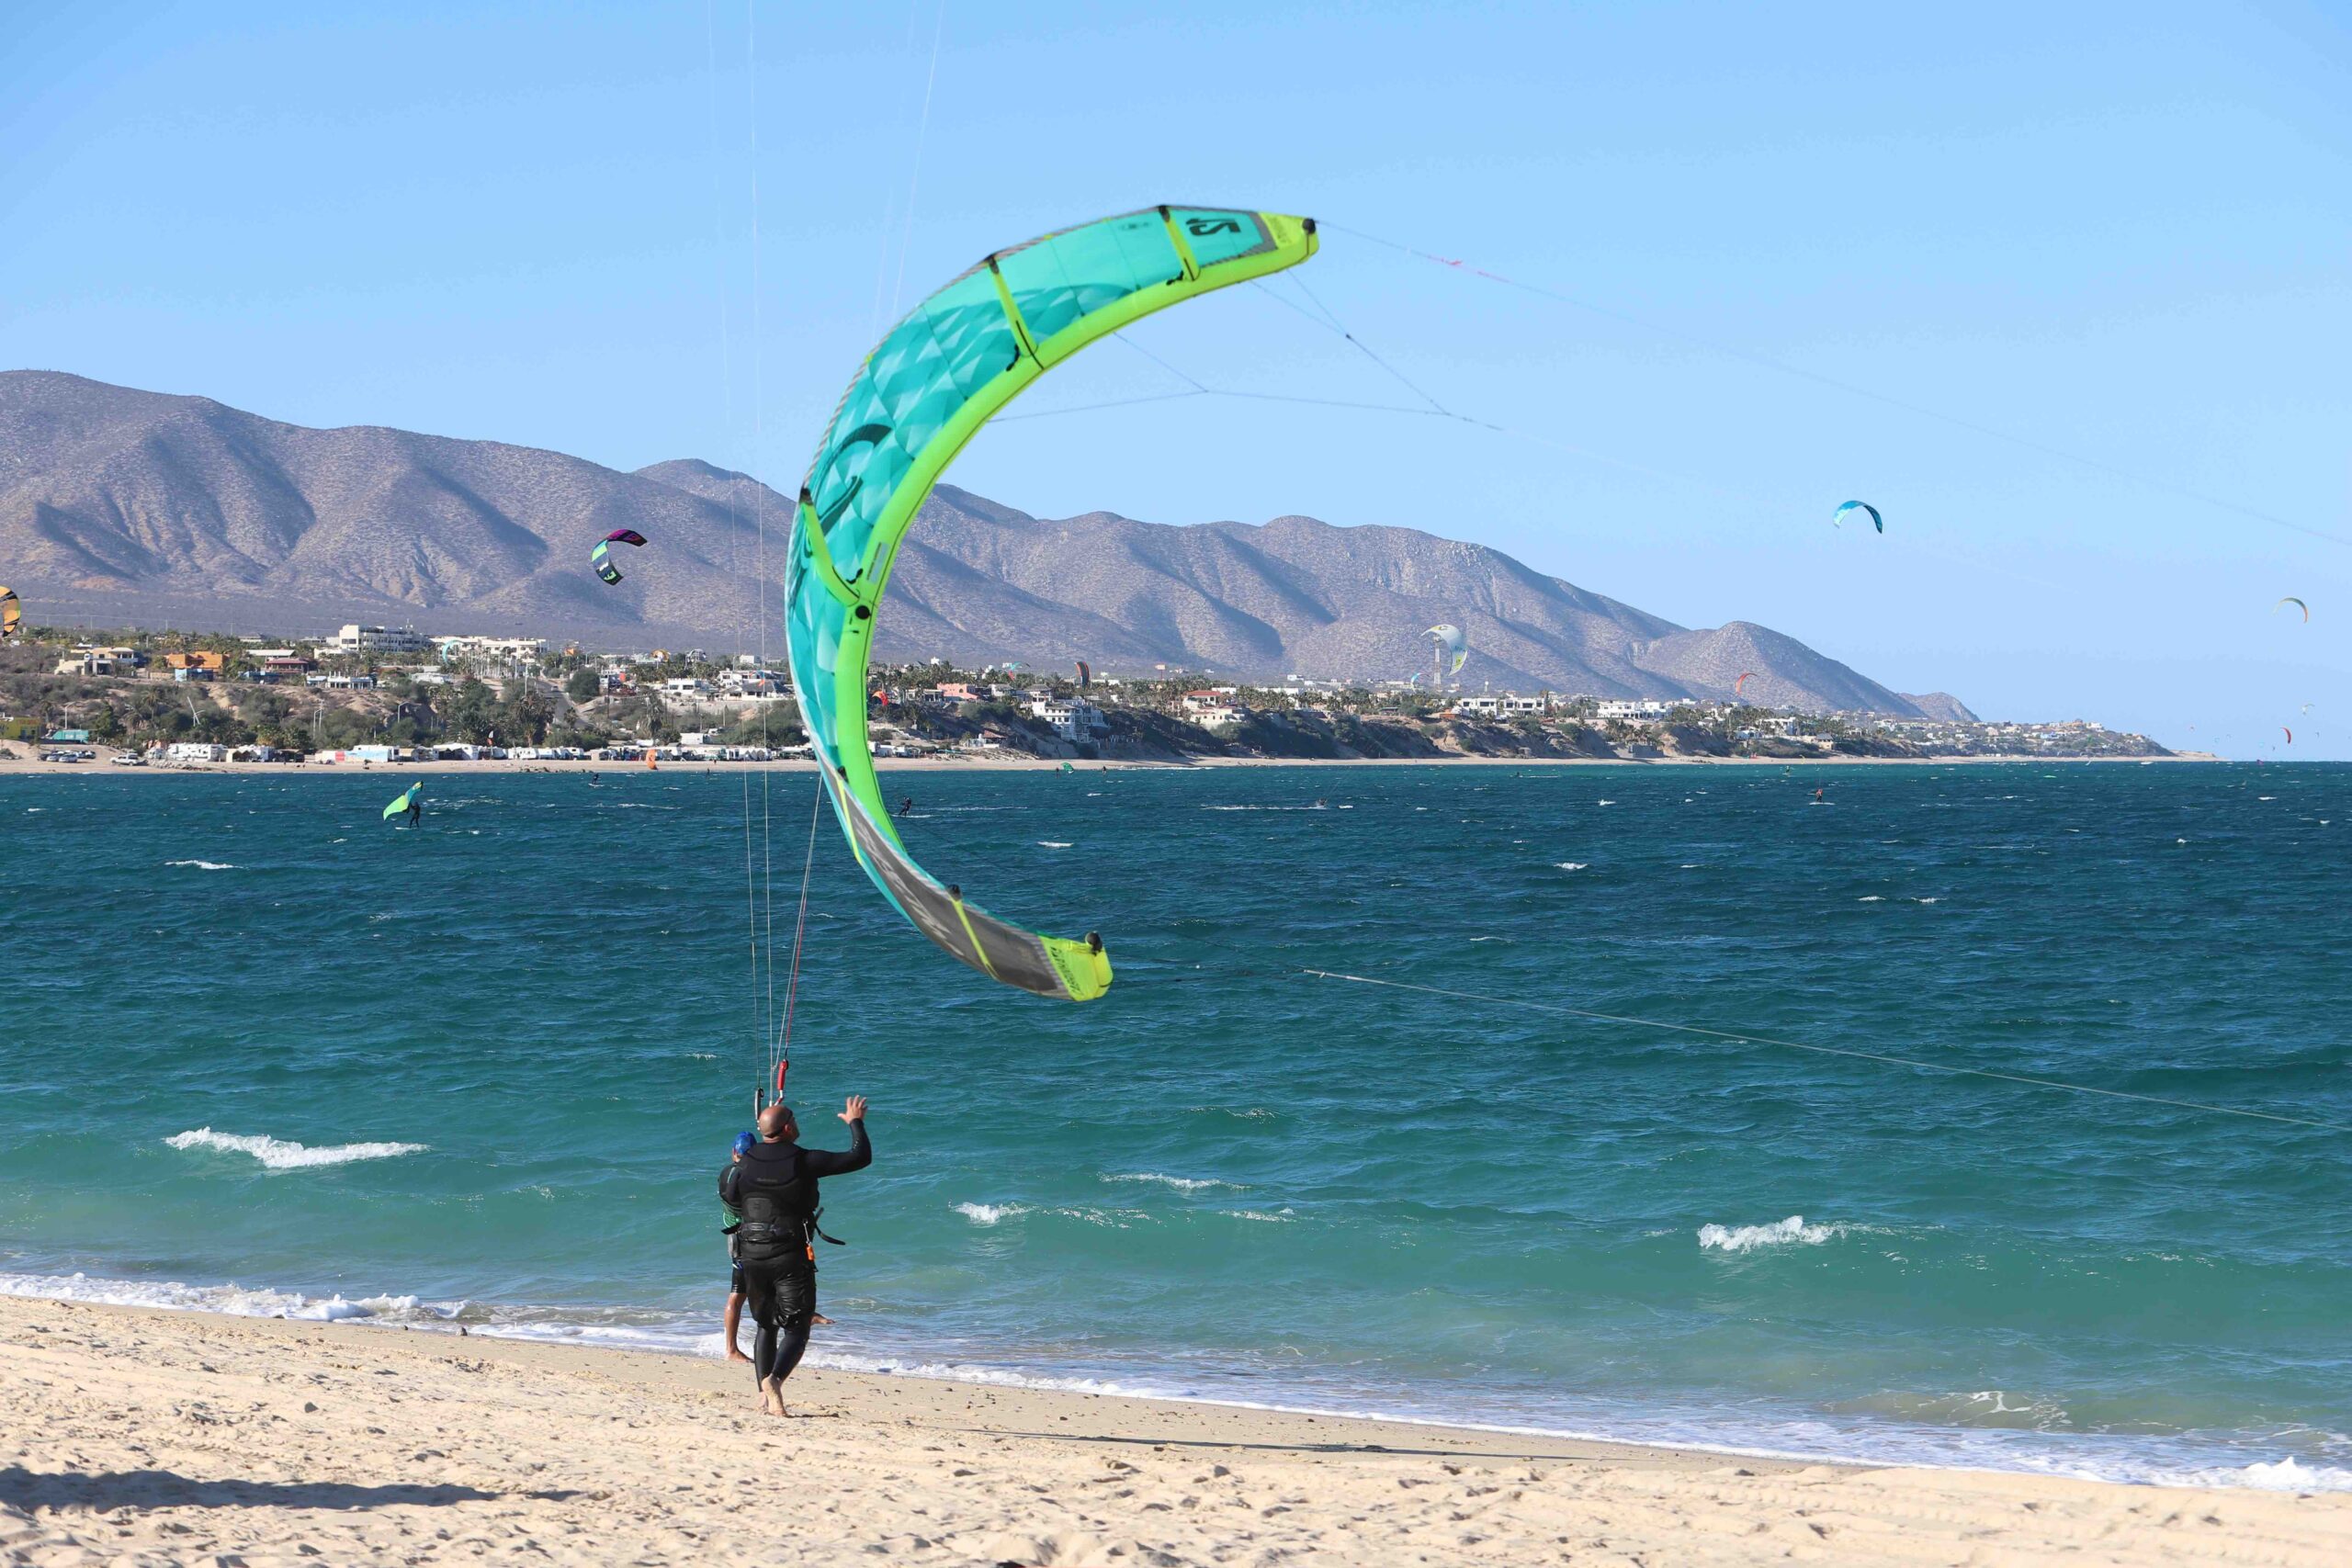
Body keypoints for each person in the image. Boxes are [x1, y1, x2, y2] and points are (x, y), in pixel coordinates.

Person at [719, 1095, 870, 1416]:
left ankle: (765, 1396)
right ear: (788, 1128)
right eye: (794, 1120)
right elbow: (859, 1157)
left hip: (751, 1254)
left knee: (765, 1326)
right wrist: (855, 1121)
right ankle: (773, 1380)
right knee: (798, 1326)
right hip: (788, 1254)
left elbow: (731, 1197)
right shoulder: (804, 1160)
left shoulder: (744, 1162)